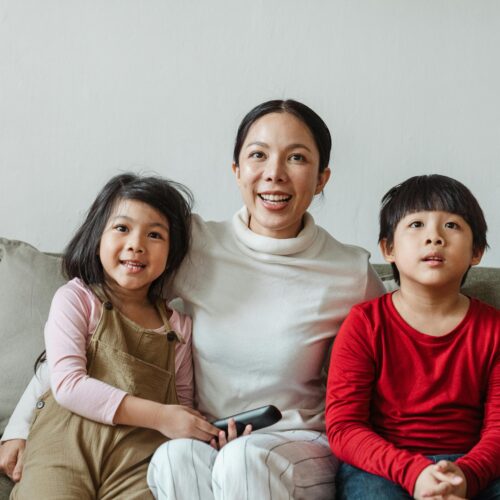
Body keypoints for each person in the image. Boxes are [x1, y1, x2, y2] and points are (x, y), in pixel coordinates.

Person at [1, 100, 385, 499]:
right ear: (236, 171)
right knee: (172, 458)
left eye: (297, 158)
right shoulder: (195, 245)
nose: (274, 174)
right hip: (208, 436)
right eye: (258, 155)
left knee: (244, 460)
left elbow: (394, 364)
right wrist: (18, 426)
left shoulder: (349, 272)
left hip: (300, 444)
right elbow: (97, 321)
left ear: (322, 178)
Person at [10, 173, 221, 499]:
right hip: (64, 443)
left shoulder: (177, 327)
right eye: (122, 228)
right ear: (97, 237)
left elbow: (180, 402)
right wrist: (161, 416)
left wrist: (201, 430)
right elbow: (66, 384)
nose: (136, 244)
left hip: (138, 458)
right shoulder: (76, 299)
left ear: (172, 253)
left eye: (154, 235)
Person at [326, 174, 500, 500]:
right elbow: (344, 427)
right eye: (417, 224)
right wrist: (414, 472)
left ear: (476, 252)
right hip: (383, 465)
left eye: (452, 226)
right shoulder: (364, 324)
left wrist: (465, 475)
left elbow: (498, 431)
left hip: (473, 464)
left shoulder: (494, 329)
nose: (434, 237)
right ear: (388, 248)